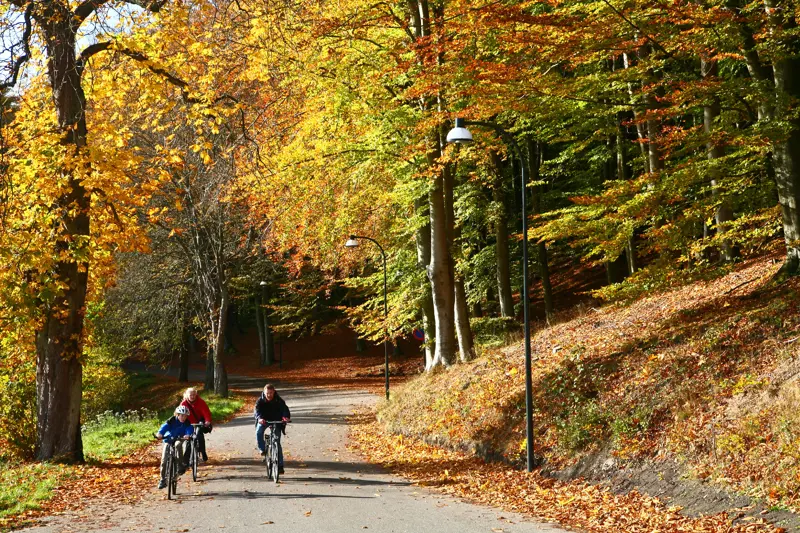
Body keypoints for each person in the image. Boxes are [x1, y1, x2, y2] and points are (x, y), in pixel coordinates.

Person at [254, 383, 291, 474]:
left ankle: (280, 466)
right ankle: (262, 449)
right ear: (264, 392)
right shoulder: (260, 401)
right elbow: (256, 410)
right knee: (259, 431)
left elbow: (285, 409)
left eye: (271, 393)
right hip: (264, 420)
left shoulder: (279, 400)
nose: (269, 395)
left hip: (276, 420)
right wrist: (260, 418)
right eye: (267, 393)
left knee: (277, 442)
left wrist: (285, 417)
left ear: (274, 392)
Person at [155, 405, 193, 489]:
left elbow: (189, 429)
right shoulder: (171, 421)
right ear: (177, 415)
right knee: (164, 461)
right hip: (168, 440)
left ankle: (180, 465)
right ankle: (162, 479)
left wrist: (187, 435)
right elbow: (164, 427)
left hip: (179, 438)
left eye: (185, 416)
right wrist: (160, 434)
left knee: (178, 444)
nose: (183, 417)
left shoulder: (187, 423)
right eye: (182, 415)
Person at [180, 387, 212, 462]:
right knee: (188, 438)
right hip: (188, 423)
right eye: (190, 395)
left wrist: (207, 421)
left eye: (194, 395)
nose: (192, 396)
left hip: (199, 421)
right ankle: (186, 459)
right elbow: (179, 414)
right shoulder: (184, 403)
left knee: (199, 434)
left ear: (196, 394)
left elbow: (206, 412)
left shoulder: (201, 402)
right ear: (187, 395)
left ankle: (203, 452)